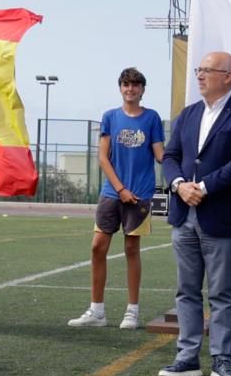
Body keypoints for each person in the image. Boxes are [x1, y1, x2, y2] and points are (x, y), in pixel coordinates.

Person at [157, 51, 231, 376]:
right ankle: (187, 357)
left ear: (228, 76)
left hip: (219, 216)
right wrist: (178, 185)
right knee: (186, 291)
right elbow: (171, 155)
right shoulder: (189, 114)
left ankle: (223, 359)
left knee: (221, 292)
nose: (200, 75)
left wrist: (203, 187)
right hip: (184, 214)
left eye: (207, 70)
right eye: (199, 69)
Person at [68, 67, 165, 330]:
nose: (130, 89)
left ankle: (132, 311)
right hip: (112, 193)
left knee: (131, 249)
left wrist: (180, 162)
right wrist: (120, 188)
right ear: (120, 88)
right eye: (126, 84)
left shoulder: (152, 118)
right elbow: (102, 157)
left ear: (143, 89)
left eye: (135, 85)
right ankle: (97, 311)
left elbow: (159, 154)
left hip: (140, 194)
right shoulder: (110, 117)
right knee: (97, 247)